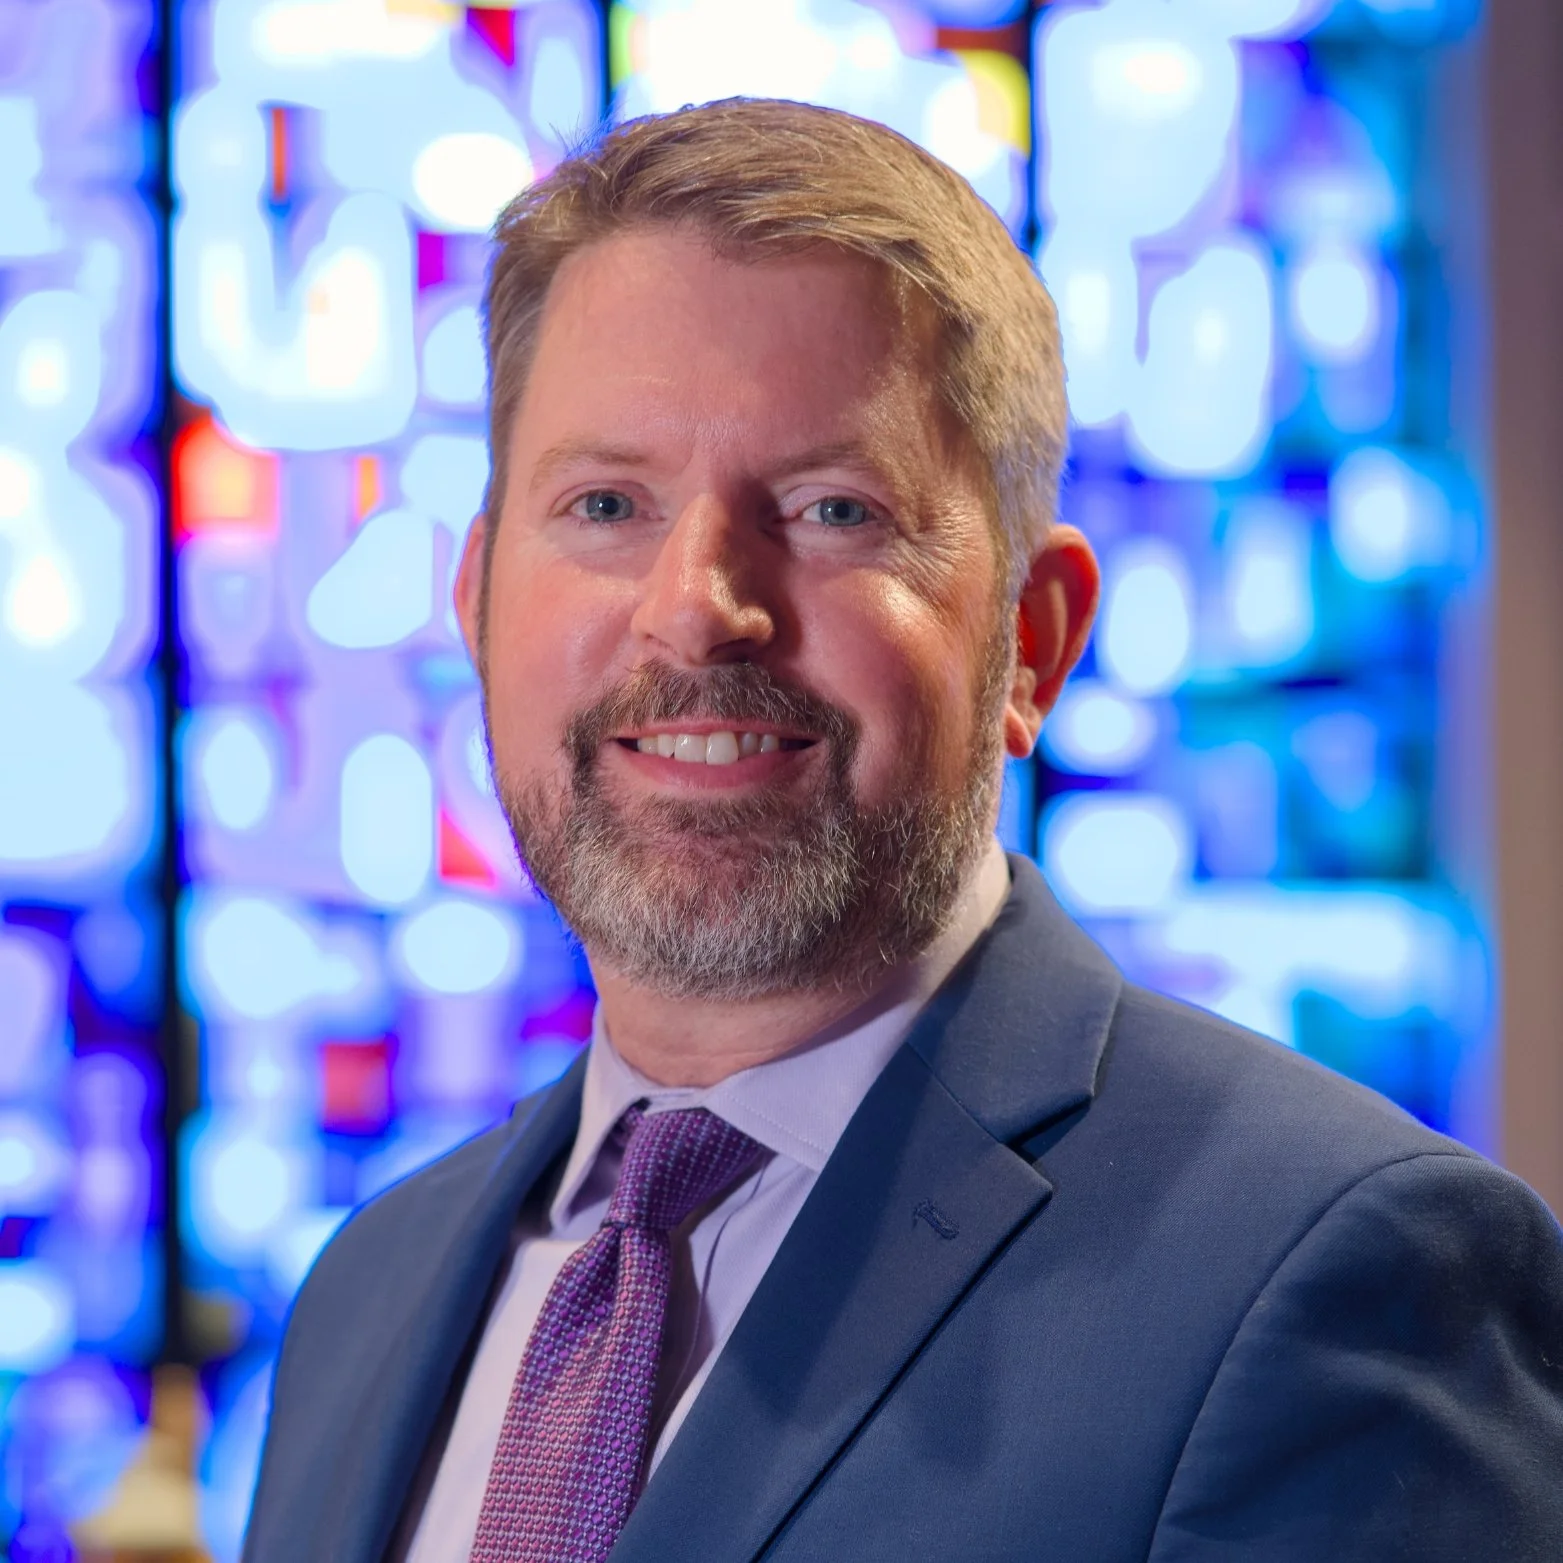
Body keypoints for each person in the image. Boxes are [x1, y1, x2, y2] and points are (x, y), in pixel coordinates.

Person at [243, 100, 1563, 1563]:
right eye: (607, 502)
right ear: (479, 602)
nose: (697, 608)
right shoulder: (371, 1289)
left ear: (1032, 642)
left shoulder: (1340, 1275)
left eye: (831, 510)